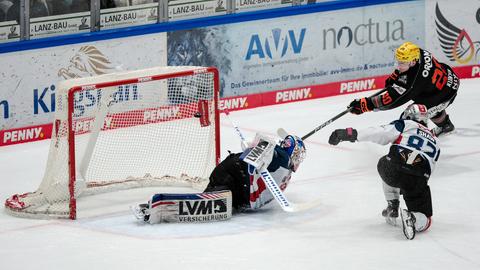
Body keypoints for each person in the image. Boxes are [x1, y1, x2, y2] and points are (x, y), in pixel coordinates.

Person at [134, 133, 306, 223]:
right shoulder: (285, 167)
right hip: (240, 186)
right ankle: (159, 208)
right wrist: (258, 147)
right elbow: (263, 149)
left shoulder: (282, 159)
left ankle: (155, 209)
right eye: (299, 155)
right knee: (213, 198)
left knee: (210, 197)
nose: (299, 160)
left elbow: (259, 145)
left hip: (236, 177)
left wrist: (256, 146)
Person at [328, 104, 439, 239]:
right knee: (426, 219)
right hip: (417, 178)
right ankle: (413, 218)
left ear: (408, 115)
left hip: (392, 168)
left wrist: (351, 134)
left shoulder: (405, 124)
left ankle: (392, 205)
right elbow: (430, 168)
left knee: (389, 163)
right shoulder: (436, 141)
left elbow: (381, 133)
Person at [349, 41, 460, 136]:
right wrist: (397, 75)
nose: (399, 65)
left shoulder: (414, 81)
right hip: (445, 81)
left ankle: (416, 144)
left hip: (446, 94)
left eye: (402, 63)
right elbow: (403, 76)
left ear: (412, 62)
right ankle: (446, 125)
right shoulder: (418, 52)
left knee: (412, 115)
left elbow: (391, 100)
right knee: (426, 100)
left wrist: (366, 105)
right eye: (398, 61)